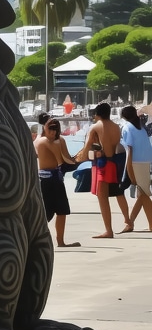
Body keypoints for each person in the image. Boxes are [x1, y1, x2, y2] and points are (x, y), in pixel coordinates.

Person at [74, 102, 128, 239]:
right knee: (118, 192)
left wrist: (79, 159)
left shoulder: (95, 126)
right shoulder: (116, 127)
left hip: (102, 165)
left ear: (97, 114)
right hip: (114, 163)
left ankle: (108, 230)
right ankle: (127, 221)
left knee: (102, 198)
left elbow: (87, 145)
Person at [34, 113, 79, 248]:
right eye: (51, 128)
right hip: (47, 179)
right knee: (47, 213)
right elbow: (64, 159)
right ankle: (35, 238)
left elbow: (67, 159)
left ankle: (60, 241)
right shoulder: (42, 141)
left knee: (61, 210)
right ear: (45, 128)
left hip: (54, 177)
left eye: (55, 129)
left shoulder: (52, 141)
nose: (53, 132)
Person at [120, 104, 152, 233]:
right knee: (142, 195)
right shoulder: (141, 127)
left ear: (123, 117)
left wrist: (129, 169)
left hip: (136, 162)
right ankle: (130, 223)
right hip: (146, 161)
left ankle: (148, 224)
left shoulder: (127, 128)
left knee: (143, 194)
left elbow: (129, 150)